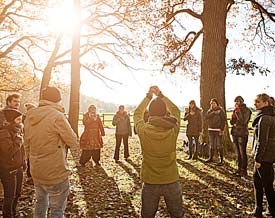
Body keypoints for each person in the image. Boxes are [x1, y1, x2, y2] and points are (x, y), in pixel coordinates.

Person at [24, 86, 77, 218]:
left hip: (36, 169)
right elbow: (72, 140)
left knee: (40, 201)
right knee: (57, 209)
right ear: (58, 100)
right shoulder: (57, 116)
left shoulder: (30, 115)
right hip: (55, 170)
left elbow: (27, 143)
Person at [134, 86, 184, 218]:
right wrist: (160, 95)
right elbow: (176, 111)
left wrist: (148, 96)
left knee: (147, 215)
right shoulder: (173, 129)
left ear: (150, 113)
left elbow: (137, 114)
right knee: (177, 215)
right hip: (171, 178)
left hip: (150, 180)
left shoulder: (144, 130)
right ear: (164, 113)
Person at [248, 93, 275, 217]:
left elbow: (262, 141)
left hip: (264, 157)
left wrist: (258, 158)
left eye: (258, 102)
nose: (255, 104)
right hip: (268, 155)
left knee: (266, 185)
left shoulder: (265, 118)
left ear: (266, 103)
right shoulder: (269, 115)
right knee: (258, 182)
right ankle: (259, 210)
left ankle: (272, 210)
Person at [1, 93, 25, 218]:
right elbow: (8, 148)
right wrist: (18, 138)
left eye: (18, 101)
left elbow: (21, 147)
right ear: (8, 102)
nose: (17, 103)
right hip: (8, 165)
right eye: (14, 101)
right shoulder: (3, 116)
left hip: (18, 163)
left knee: (17, 194)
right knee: (10, 195)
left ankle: (12, 213)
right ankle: (8, 215)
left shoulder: (18, 123)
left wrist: (23, 161)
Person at [230, 96, 251, 176]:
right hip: (235, 132)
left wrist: (238, 112)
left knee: (242, 153)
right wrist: (234, 115)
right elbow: (232, 122)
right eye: (235, 102)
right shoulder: (236, 110)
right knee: (238, 153)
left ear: (242, 101)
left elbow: (243, 121)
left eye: (238, 101)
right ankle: (239, 169)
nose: (236, 103)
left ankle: (244, 170)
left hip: (242, 133)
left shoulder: (247, 110)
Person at [205, 98, 227, 166]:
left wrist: (222, 130)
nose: (212, 104)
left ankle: (221, 160)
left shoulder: (221, 110)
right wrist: (213, 113)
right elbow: (206, 117)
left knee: (219, 145)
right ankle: (211, 158)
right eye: (211, 103)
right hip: (211, 130)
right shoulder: (210, 111)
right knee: (212, 144)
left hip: (218, 130)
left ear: (217, 103)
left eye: (213, 103)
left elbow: (224, 120)